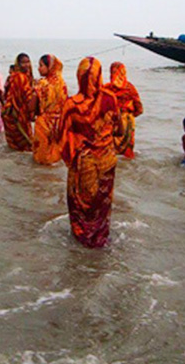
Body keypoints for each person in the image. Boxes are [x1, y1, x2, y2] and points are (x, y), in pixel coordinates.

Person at [58, 57, 122, 248]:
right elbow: (118, 129)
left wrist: (72, 156)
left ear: (79, 76)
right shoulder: (110, 98)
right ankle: (100, 239)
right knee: (102, 202)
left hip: (84, 162)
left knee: (81, 204)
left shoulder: (72, 105)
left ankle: (84, 240)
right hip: (107, 160)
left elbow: (60, 134)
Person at [29, 54, 67, 164]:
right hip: (58, 123)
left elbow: (31, 107)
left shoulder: (42, 84)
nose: (38, 68)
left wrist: (34, 90)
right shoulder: (62, 84)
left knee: (41, 157)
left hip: (44, 123)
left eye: (41, 65)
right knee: (54, 156)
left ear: (49, 67)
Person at [103, 61, 143, 158]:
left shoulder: (106, 88)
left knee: (109, 152)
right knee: (127, 154)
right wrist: (129, 114)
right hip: (127, 122)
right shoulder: (130, 88)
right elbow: (140, 109)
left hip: (111, 122)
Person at [2, 53, 35, 151]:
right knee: (25, 144)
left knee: (15, 145)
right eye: (23, 63)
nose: (26, 65)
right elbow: (27, 95)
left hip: (12, 112)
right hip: (16, 113)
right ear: (18, 64)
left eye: (28, 62)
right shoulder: (20, 77)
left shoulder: (20, 76)